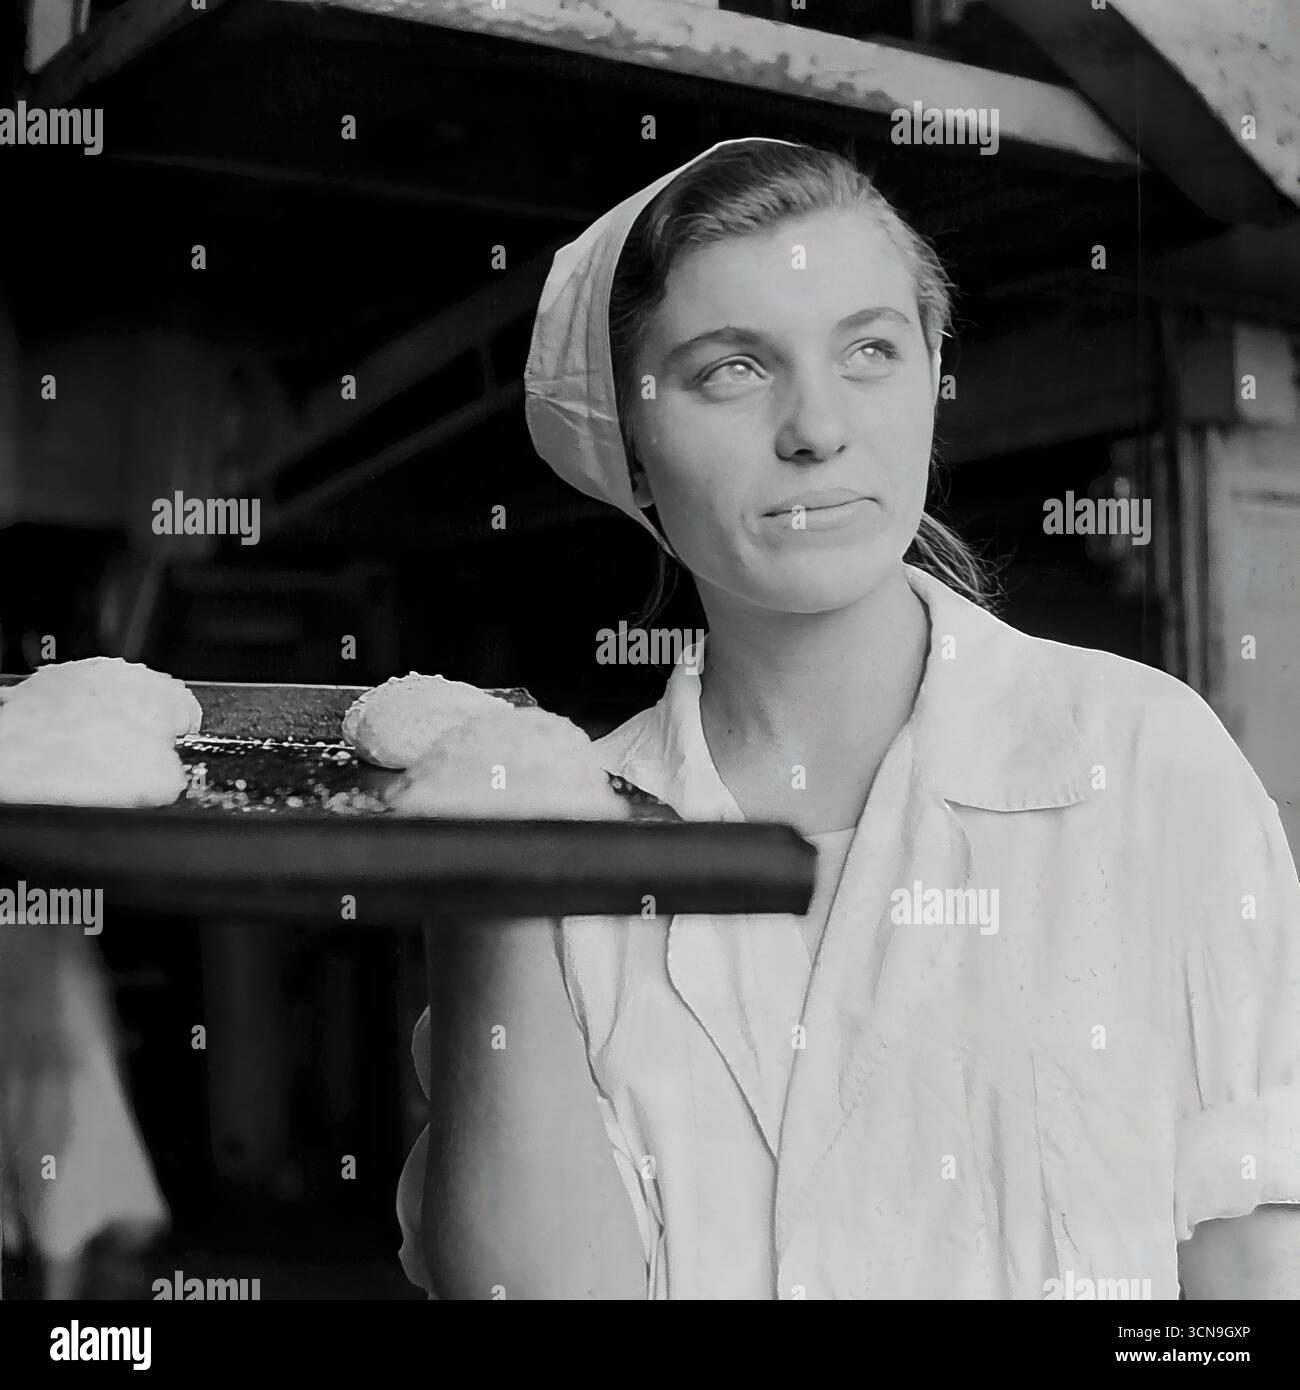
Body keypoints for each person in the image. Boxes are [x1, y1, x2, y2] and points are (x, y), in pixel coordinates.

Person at [395, 137, 1300, 1299]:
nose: (816, 426)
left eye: (870, 349)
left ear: (930, 373)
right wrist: (486, 887)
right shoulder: (567, 836)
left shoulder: (1139, 757)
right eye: (733, 368)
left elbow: (1253, 1257)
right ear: (630, 439)